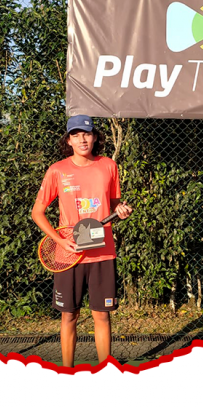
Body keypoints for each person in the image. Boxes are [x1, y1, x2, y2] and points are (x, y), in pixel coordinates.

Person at [31, 114, 132, 367]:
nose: (82, 139)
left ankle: (105, 372)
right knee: (69, 316)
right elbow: (37, 213)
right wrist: (59, 241)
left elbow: (115, 205)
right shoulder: (57, 170)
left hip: (102, 254)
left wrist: (121, 210)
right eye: (75, 135)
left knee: (102, 316)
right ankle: (67, 372)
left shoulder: (109, 166)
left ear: (95, 137)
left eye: (87, 134)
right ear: (69, 140)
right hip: (69, 255)